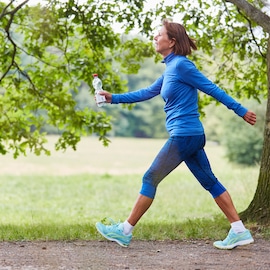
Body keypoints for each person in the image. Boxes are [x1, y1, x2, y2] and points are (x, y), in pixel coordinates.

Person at [95, 19, 257, 250]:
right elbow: (147, 92)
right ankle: (239, 230)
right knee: (210, 182)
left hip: (184, 136)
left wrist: (240, 110)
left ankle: (124, 231)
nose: (155, 37)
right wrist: (113, 98)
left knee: (150, 178)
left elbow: (211, 88)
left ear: (171, 41)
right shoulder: (171, 68)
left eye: (159, 34)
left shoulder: (182, 65)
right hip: (189, 136)